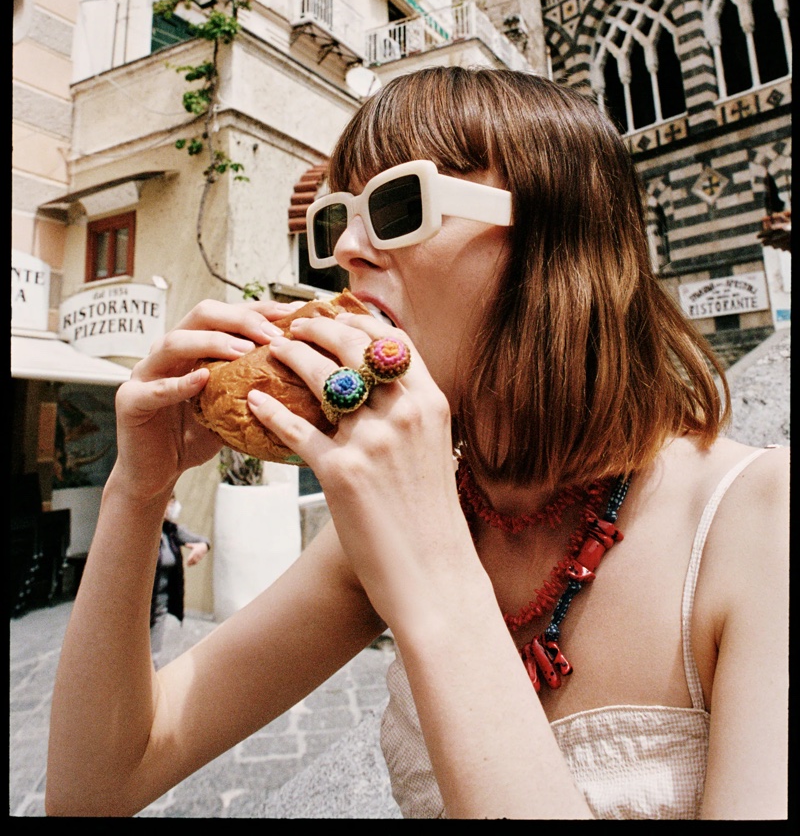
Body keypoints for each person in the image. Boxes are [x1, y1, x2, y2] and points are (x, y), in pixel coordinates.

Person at [46, 66, 788, 819]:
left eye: (399, 205)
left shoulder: (763, 520)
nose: (347, 251)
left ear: (555, 243)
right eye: (335, 220)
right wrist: (136, 492)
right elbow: (98, 786)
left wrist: (430, 571)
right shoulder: (382, 538)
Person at [149, 494, 210, 669]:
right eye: (170, 502)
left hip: (160, 606)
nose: (173, 507)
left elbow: (202, 540)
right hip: (137, 608)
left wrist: (202, 547)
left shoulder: (171, 531)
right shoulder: (142, 532)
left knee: (153, 658)